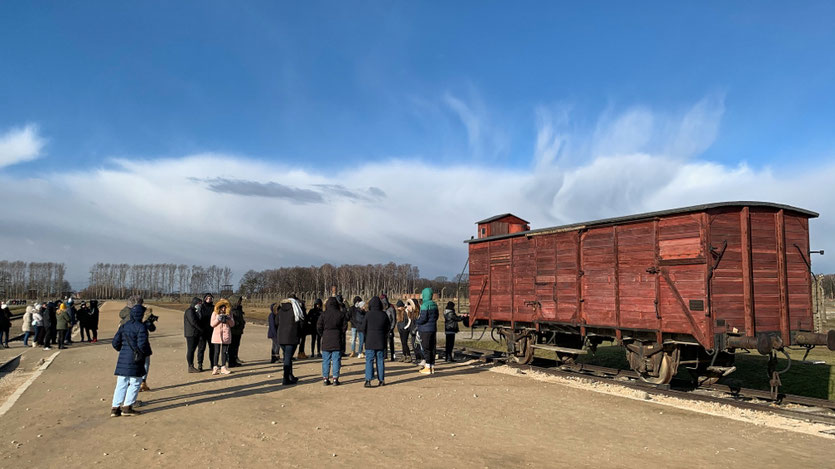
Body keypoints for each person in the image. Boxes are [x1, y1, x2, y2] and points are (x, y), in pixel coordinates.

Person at [110, 301, 153, 417]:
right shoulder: (141, 327)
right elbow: (142, 344)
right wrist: (146, 353)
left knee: (121, 383)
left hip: (123, 358)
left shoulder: (124, 326)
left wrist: (123, 350)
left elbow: (115, 343)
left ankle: (115, 407)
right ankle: (127, 407)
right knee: (135, 382)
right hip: (135, 359)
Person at [317, 297, 347, 386]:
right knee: (336, 359)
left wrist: (323, 334)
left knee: (326, 360)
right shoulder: (340, 314)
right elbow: (344, 326)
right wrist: (340, 333)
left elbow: (319, 326)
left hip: (326, 338)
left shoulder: (323, 314)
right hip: (337, 338)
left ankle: (325, 379)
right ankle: (335, 378)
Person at [362, 296, 391, 387]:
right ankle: (381, 380)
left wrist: (366, 336)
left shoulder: (368, 314)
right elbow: (388, 327)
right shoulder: (384, 314)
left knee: (369, 360)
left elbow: (363, 328)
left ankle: (368, 380)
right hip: (380, 340)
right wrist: (384, 335)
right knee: (380, 360)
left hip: (370, 340)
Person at [276, 296, 304, 385]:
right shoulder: (296, 311)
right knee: (288, 358)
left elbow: (276, 322)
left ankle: (290, 375)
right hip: (291, 337)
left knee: (287, 357)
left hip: (281, 337)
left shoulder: (280, 311)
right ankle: (285, 378)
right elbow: (301, 323)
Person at [416, 288, 439, 375]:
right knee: (432, 348)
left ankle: (427, 367)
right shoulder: (434, 304)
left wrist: (416, 322)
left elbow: (423, 318)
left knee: (426, 348)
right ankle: (432, 366)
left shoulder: (424, 305)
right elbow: (436, 316)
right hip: (433, 328)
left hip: (425, 330)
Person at [210, 299, 235, 375]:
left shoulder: (229, 314)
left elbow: (232, 324)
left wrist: (228, 319)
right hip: (217, 335)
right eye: (222, 307)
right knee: (216, 352)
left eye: (225, 307)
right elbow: (212, 324)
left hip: (226, 335)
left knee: (224, 352)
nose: (223, 309)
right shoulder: (214, 313)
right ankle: (215, 367)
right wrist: (218, 319)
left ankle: (223, 367)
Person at [183, 297, 203, 373]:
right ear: (195, 303)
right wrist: (201, 329)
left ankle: (191, 366)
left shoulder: (196, 311)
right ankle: (190, 366)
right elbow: (193, 322)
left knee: (193, 350)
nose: (200, 305)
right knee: (190, 350)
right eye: (199, 303)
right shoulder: (189, 311)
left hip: (196, 333)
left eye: (201, 303)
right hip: (191, 334)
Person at [199, 293, 216, 370]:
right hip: (202, 331)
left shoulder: (214, 307)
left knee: (212, 348)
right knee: (201, 348)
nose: (209, 299)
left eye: (210, 298)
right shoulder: (201, 307)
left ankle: (212, 364)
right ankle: (200, 364)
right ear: (205, 299)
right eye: (207, 298)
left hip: (211, 331)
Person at [228, 295, 246, 367]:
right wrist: (237, 323)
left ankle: (235, 360)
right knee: (232, 347)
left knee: (236, 346)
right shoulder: (231, 309)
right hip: (233, 331)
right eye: (238, 301)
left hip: (239, 331)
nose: (240, 302)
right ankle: (231, 361)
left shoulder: (239, 309)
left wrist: (242, 323)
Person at [406, 298, 423, 365]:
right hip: (412, 331)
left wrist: (415, 329)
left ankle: (420, 358)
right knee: (414, 345)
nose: (408, 307)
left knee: (417, 345)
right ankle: (417, 358)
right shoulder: (411, 313)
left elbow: (418, 322)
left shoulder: (418, 312)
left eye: (410, 305)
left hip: (417, 332)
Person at [381, 295, 397, 361]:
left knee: (391, 342)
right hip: (383, 327)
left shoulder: (391, 308)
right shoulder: (381, 308)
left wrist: (392, 328)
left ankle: (392, 355)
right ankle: (385, 355)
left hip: (390, 327)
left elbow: (393, 319)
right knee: (384, 342)